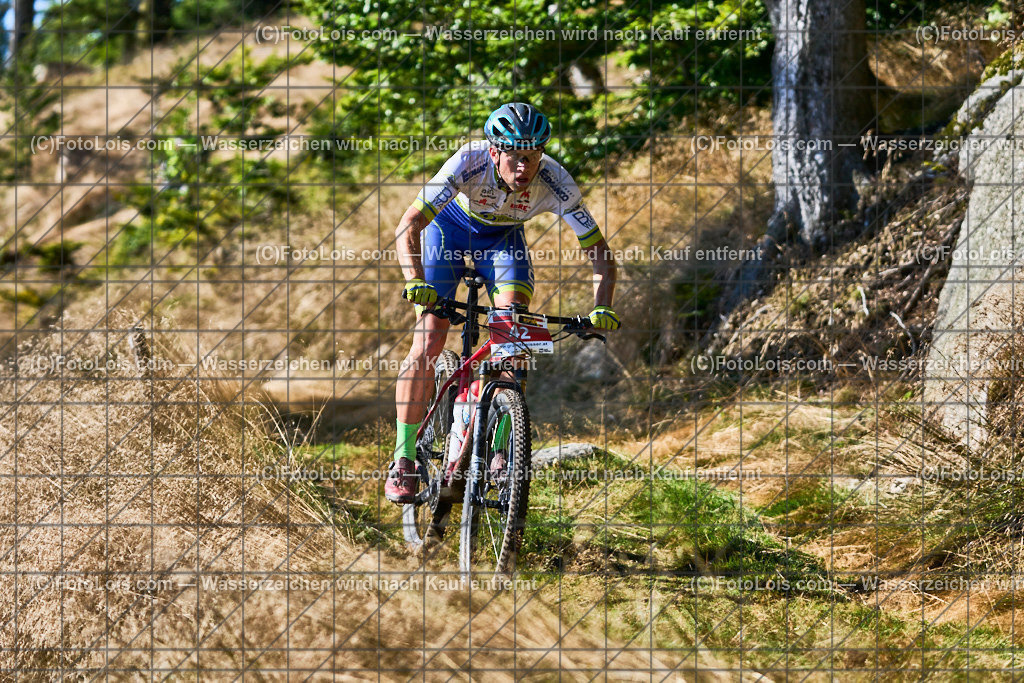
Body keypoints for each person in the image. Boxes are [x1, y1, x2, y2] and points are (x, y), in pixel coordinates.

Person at [384, 102, 620, 504]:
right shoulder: (468, 162)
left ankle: (498, 449)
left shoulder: (557, 181)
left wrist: (602, 307)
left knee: (513, 339)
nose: (524, 168)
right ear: (494, 152)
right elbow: (409, 224)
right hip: (448, 234)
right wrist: (415, 282)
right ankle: (405, 457)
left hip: (503, 242)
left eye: (532, 157)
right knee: (429, 340)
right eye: (514, 157)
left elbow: (600, 252)